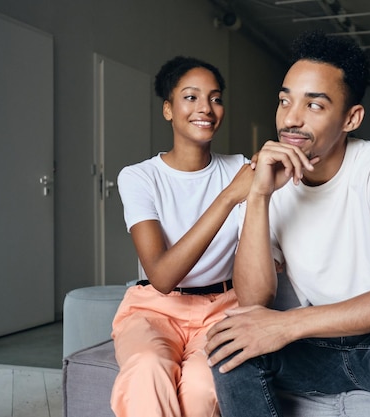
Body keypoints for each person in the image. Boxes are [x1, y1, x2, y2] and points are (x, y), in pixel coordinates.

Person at [205, 30, 370, 417]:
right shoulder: (271, 179)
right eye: (285, 100)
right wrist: (257, 196)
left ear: (350, 118)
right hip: (318, 350)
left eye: (315, 106)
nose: (291, 118)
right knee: (232, 348)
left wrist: (290, 325)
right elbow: (254, 302)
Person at [110, 56, 253, 417]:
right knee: (147, 367)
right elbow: (161, 276)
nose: (206, 108)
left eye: (215, 98)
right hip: (154, 308)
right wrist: (229, 197)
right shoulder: (139, 177)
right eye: (191, 97)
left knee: (205, 385)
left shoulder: (240, 168)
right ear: (168, 109)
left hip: (222, 310)